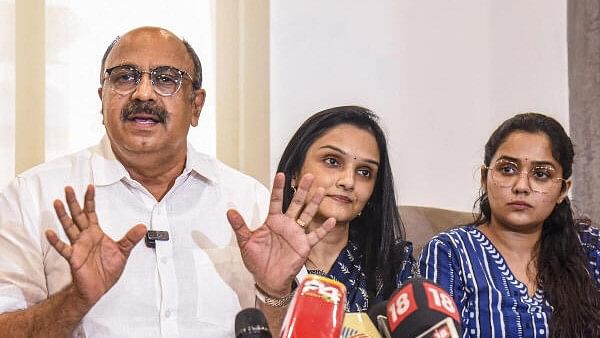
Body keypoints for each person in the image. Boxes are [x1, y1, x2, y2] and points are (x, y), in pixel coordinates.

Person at [0, 26, 333, 337]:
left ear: (196, 106)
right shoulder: (34, 196)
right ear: (102, 100)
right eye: (125, 77)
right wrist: (75, 298)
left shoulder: (249, 202)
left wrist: (274, 292)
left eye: (167, 79)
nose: (143, 93)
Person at [419, 113, 600, 337]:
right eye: (507, 170)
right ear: (485, 178)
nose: (521, 186)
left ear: (563, 190)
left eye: (541, 174)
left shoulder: (589, 248)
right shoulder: (450, 251)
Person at [229, 106, 414, 324]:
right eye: (332, 161)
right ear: (295, 173)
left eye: (365, 172)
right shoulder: (257, 256)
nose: (348, 181)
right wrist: (273, 292)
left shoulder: (395, 263)